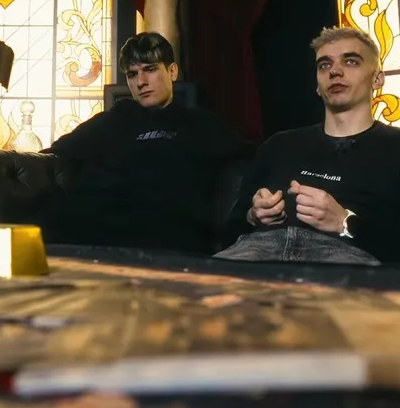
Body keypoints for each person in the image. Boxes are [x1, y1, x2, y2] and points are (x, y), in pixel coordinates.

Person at [215, 27, 400, 264]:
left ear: (377, 79)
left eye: (350, 61)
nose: (335, 71)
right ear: (317, 86)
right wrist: (253, 216)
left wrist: (346, 223)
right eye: (324, 65)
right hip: (257, 252)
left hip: (346, 259)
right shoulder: (278, 145)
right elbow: (228, 236)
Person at [42, 32, 251, 253]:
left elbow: (252, 155)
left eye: (150, 69)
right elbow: (54, 154)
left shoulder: (200, 124)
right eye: (132, 74)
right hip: (98, 232)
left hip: (168, 237)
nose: (141, 82)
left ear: (172, 71)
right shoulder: (109, 121)